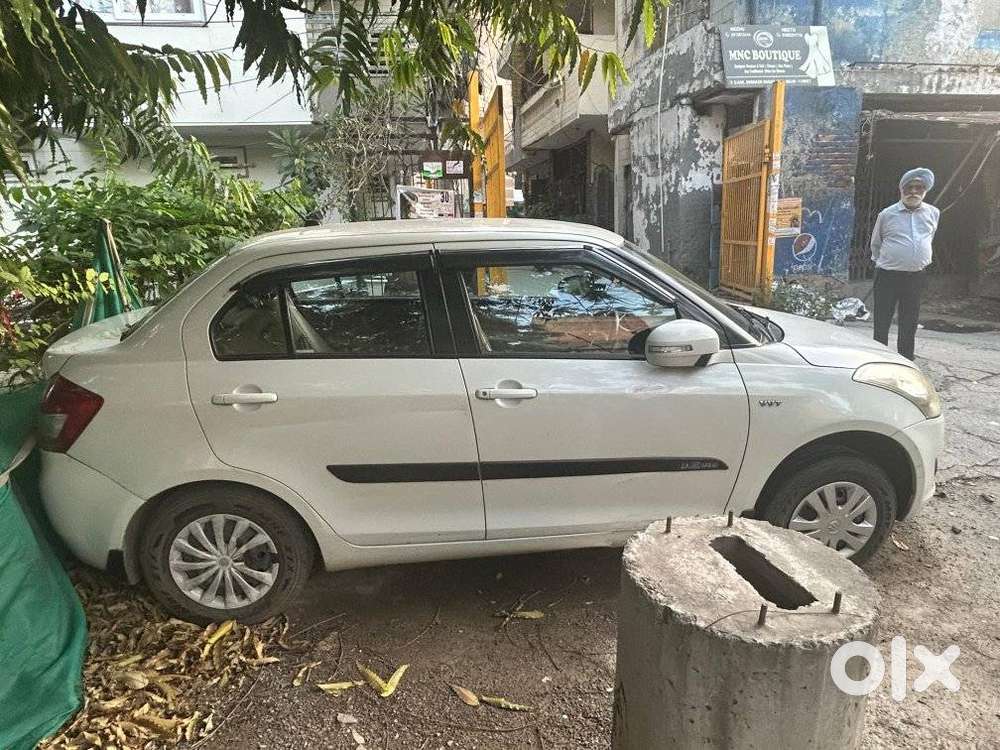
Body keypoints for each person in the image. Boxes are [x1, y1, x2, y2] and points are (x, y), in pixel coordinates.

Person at [870, 167, 939, 360]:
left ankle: (906, 358)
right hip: (888, 275)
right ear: (901, 190)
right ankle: (880, 358)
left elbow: (929, 238)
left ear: (925, 191)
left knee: (910, 319)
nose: (913, 192)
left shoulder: (933, 213)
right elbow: (876, 243)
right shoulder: (887, 214)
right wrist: (890, 260)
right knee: (882, 318)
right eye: (909, 187)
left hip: (915, 276)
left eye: (919, 188)